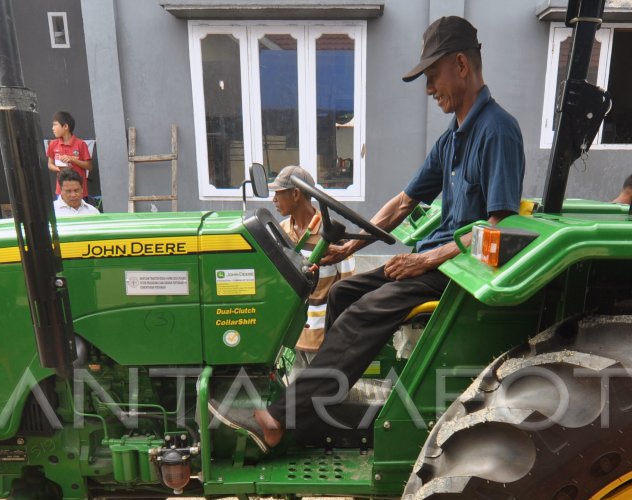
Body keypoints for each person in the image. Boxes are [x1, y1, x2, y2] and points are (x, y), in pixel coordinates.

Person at [211, 16, 524, 450]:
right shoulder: (452, 139)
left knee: (361, 314)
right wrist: (351, 245)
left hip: (457, 271)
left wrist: (425, 259)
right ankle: (329, 408)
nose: (430, 89)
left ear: (461, 66)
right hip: (433, 262)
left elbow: (499, 226)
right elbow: (402, 202)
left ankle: (277, 420)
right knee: (342, 294)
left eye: (433, 77)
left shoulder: (497, 131)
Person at [270, 165, 353, 369]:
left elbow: (349, 289)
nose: (273, 200)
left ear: (296, 194)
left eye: (278, 194)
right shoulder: (280, 232)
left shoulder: (333, 237)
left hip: (325, 341)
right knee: (297, 396)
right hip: (293, 337)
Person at [47, 110, 91, 196]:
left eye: (55, 125)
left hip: (79, 191)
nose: (53, 128)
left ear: (66, 126)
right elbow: (50, 164)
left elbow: (89, 166)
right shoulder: (53, 144)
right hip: (61, 190)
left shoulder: (80, 144)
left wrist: (73, 160)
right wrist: (59, 169)